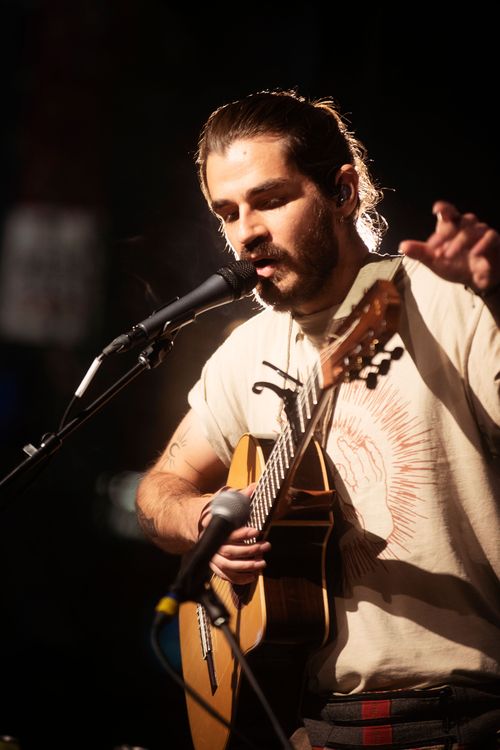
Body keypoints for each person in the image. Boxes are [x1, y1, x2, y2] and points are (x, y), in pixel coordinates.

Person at [135, 89, 500, 750]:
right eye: (227, 212)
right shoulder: (244, 353)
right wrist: (204, 518)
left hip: (471, 714)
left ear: (343, 191)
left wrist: (495, 298)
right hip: (316, 723)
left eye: (270, 199)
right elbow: (156, 493)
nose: (246, 232)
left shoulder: (449, 303)